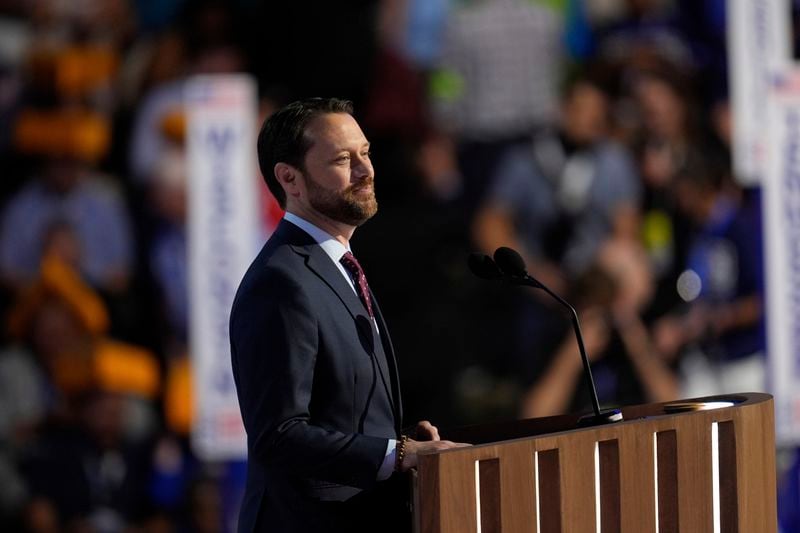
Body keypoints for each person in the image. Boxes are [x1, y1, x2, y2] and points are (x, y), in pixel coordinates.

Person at [229, 97, 465, 533]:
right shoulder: (281, 282)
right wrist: (397, 456)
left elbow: (340, 409)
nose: (365, 170)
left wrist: (404, 442)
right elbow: (278, 435)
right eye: (342, 158)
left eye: (365, 152)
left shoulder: (336, 265)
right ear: (290, 179)